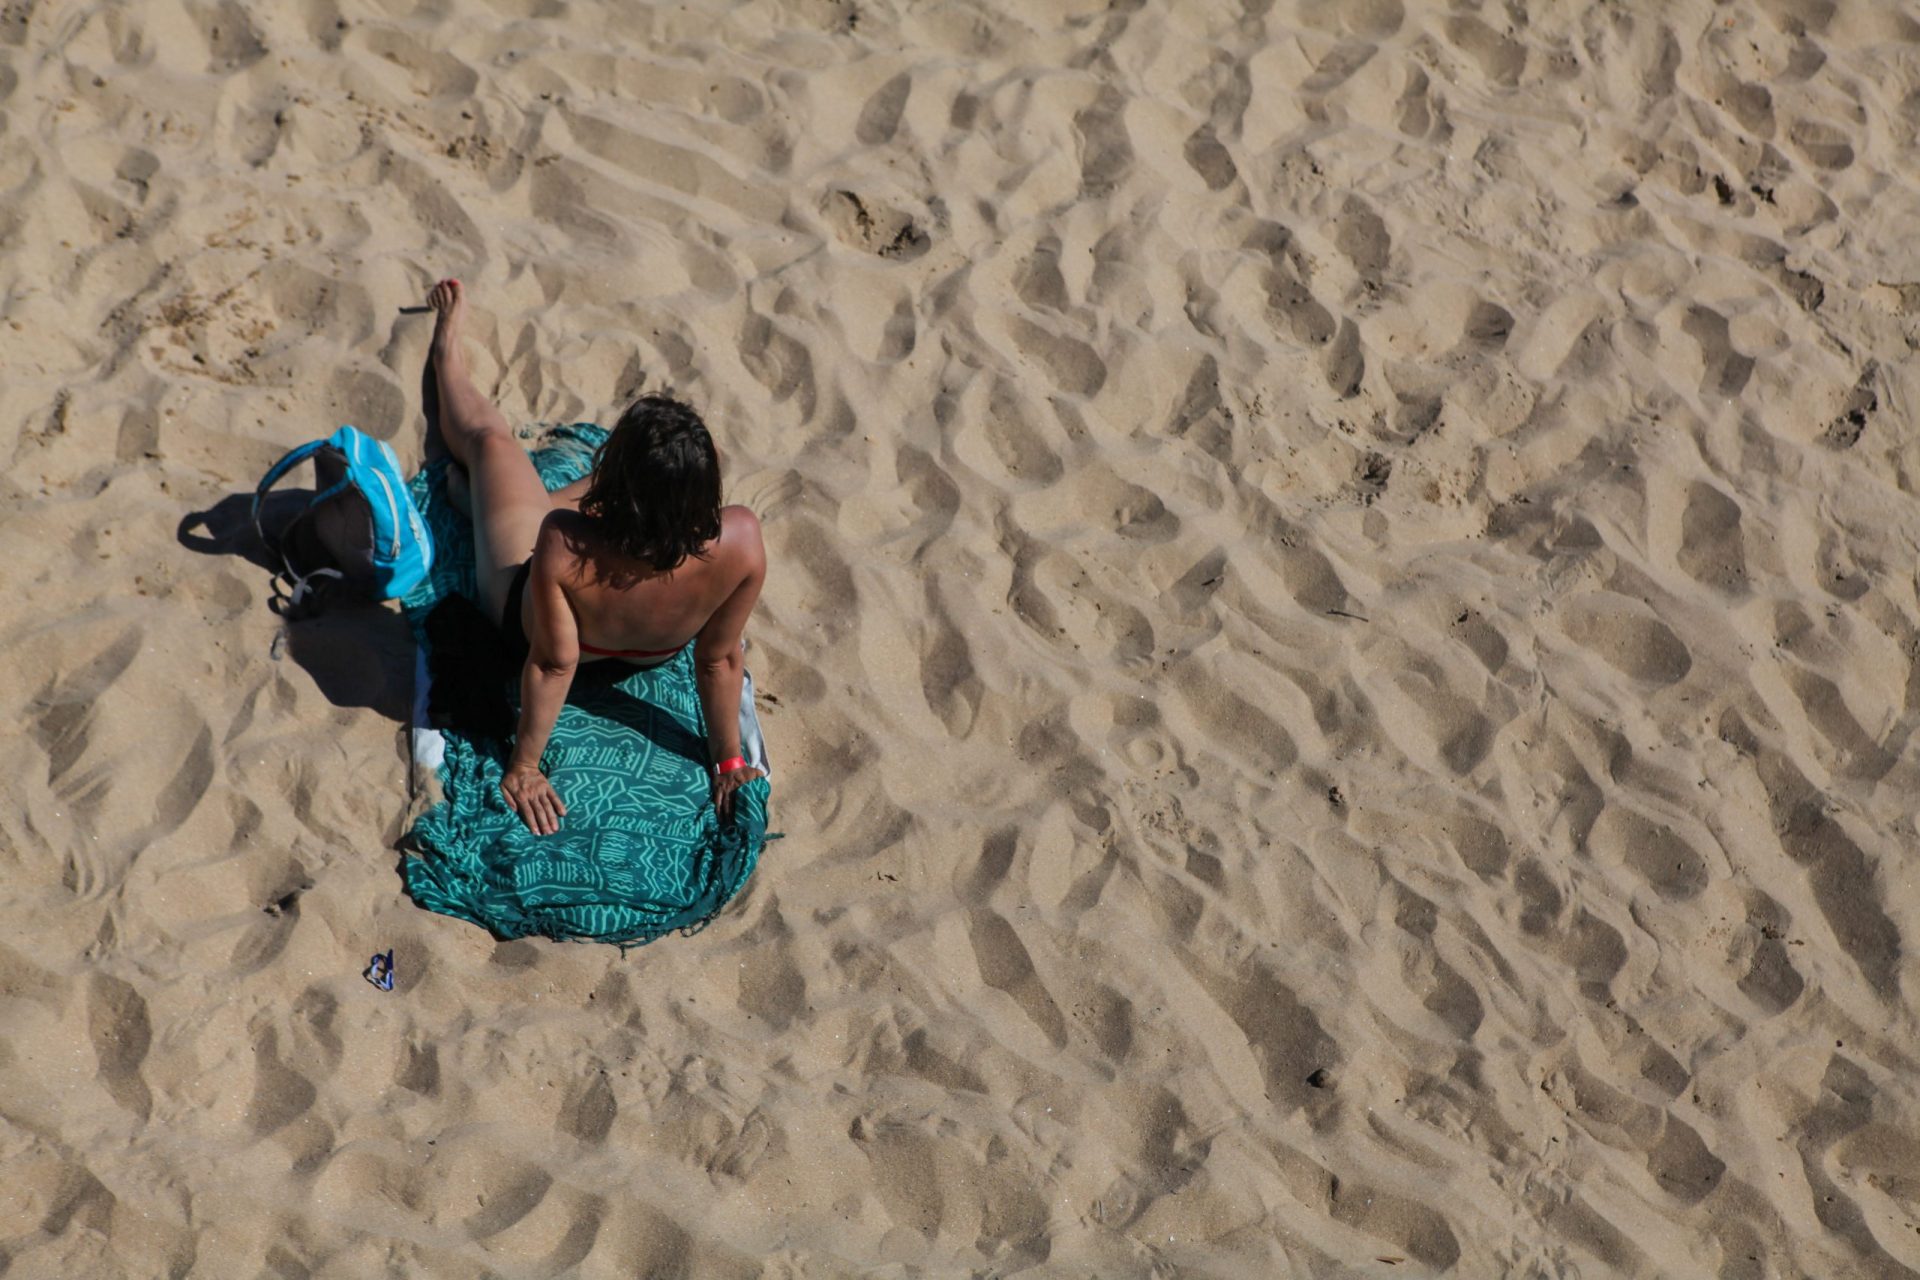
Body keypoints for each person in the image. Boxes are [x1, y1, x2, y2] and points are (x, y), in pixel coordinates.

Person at [425, 278, 766, 835]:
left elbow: (554, 662)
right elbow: (719, 659)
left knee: (491, 442)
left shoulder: (561, 538)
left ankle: (446, 352)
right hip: (650, 651)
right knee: (658, 478)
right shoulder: (743, 539)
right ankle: (483, 499)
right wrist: (727, 763)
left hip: (538, 625)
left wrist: (526, 766)